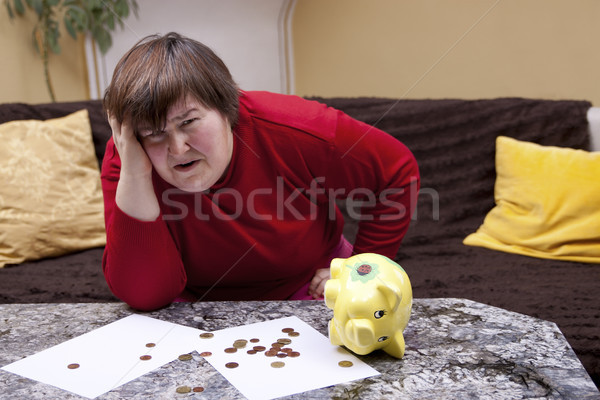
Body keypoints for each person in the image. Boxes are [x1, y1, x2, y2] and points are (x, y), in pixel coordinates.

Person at [101, 32, 420, 311]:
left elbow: (396, 172)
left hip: (312, 286)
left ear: (226, 108)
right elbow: (145, 296)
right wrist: (136, 175)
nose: (178, 148)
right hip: (189, 306)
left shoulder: (296, 128)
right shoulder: (130, 155)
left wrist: (361, 268)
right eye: (154, 133)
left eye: (188, 122)